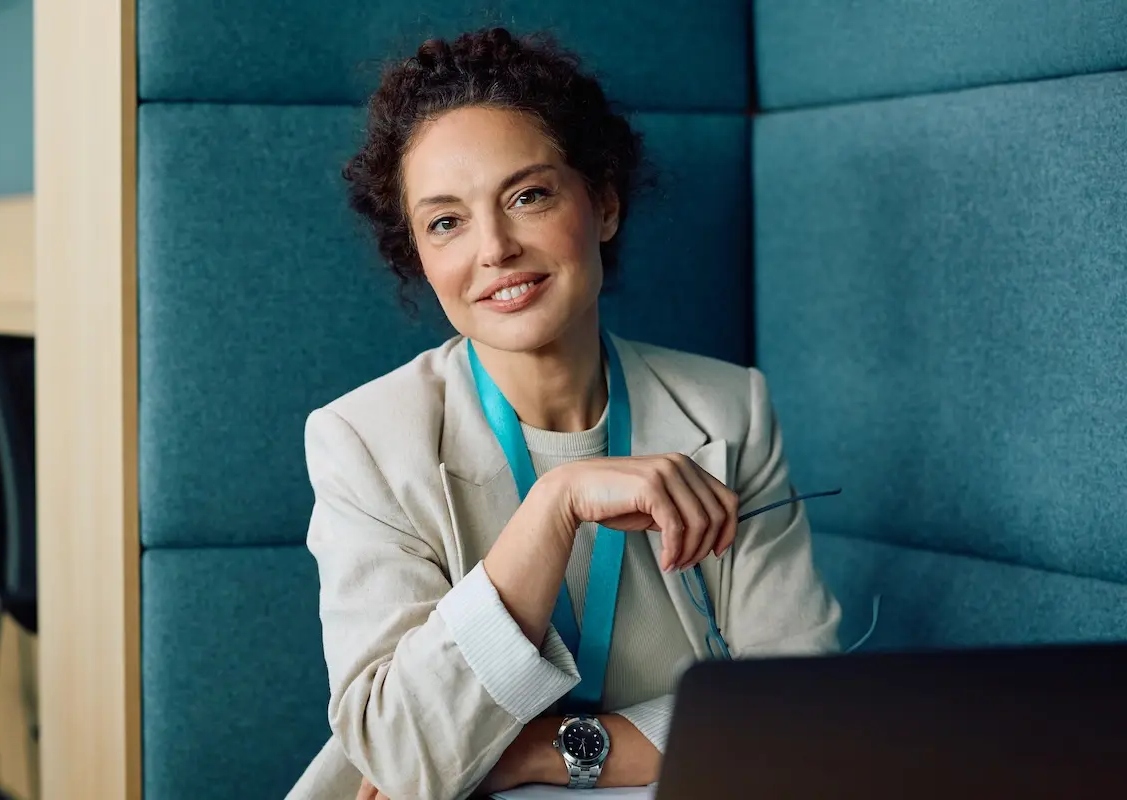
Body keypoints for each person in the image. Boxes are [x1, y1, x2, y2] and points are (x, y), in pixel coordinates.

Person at [287, 27, 841, 800]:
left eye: (528, 196)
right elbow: (404, 759)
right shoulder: (364, 442)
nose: (495, 248)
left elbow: (801, 711)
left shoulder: (727, 409)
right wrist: (555, 505)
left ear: (603, 203)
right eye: (446, 221)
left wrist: (539, 753)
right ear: (418, 254)